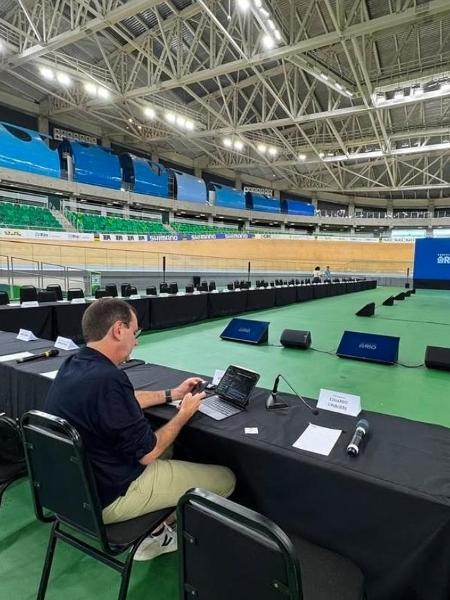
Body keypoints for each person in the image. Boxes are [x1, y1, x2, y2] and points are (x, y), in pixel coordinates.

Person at [46, 298, 235, 560]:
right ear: (118, 330)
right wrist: (183, 413)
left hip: (70, 489)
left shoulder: (74, 364)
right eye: (135, 333)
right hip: (108, 498)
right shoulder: (109, 379)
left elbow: (125, 401)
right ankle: (154, 535)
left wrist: (173, 393)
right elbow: (147, 453)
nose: (136, 341)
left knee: (170, 448)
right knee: (226, 478)